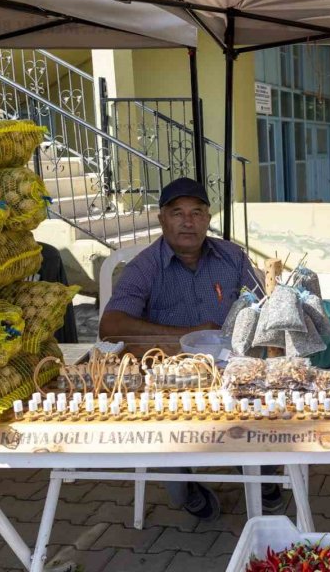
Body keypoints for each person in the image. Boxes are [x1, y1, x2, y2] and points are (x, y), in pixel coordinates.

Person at [98, 177, 282, 521]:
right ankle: (185, 488)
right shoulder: (146, 266)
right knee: (157, 425)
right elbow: (110, 327)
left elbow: (264, 306)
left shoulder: (232, 257)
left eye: (197, 213)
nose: (188, 221)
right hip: (173, 374)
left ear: (208, 219)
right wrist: (186, 335)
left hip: (233, 367)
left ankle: (264, 475)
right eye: (178, 213)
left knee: (269, 396)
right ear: (161, 219)